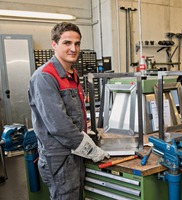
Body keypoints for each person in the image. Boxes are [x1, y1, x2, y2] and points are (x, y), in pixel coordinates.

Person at [28, 22, 109, 200]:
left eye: (77, 43)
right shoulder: (45, 76)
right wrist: (91, 149)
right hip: (60, 159)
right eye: (67, 43)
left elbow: (73, 114)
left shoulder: (71, 74)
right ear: (54, 44)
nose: (74, 48)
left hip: (74, 154)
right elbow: (59, 126)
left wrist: (87, 130)